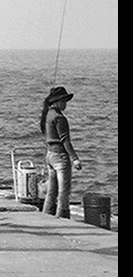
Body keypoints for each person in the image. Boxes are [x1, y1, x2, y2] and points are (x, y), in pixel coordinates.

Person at [40, 84, 82, 218]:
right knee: (64, 191)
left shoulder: (47, 115)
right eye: (64, 101)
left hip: (50, 155)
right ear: (57, 101)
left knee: (52, 190)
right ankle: (63, 217)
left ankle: (47, 216)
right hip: (60, 157)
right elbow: (65, 141)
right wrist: (75, 158)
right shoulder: (59, 118)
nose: (65, 104)